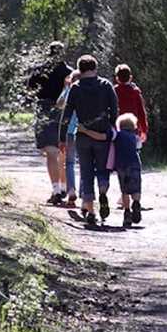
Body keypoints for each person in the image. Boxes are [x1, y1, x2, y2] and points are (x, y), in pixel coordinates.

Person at [61, 55, 118, 225]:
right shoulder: (106, 85)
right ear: (95, 67)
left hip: (83, 136)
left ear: (80, 69)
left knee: (86, 172)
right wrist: (113, 130)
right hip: (102, 135)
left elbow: (67, 114)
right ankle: (102, 190)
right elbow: (115, 110)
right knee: (103, 168)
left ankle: (91, 210)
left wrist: (62, 138)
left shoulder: (76, 88)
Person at [26, 42, 73, 205]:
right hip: (64, 112)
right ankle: (65, 187)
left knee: (51, 152)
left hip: (44, 109)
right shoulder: (69, 73)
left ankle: (56, 190)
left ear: (49, 53)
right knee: (63, 152)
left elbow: (30, 90)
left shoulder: (39, 70)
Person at [78, 113, 143, 227]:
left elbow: (103, 137)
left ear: (120, 125)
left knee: (124, 190)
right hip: (135, 165)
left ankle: (127, 212)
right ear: (133, 126)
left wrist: (85, 131)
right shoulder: (136, 137)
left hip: (121, 165)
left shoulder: (116, 135)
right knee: (136, 188)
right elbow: (138, 147)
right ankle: (136, 203)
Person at [113, 64, 149, 207]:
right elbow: (141, 112)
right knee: (133, 160)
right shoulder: (135, 92)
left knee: (121, 162)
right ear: (131, 77)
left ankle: (124, 195)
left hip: (118, 130)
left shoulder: (114, 91)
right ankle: (132, 193)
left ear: (117, 78)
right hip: (133, 130)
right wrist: (144, 129)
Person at [57, 70, 81, 207]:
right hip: (84, 131)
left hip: (69, 131)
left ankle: (71, 190)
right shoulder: (85, 92)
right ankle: (86, 193)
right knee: (85, 164)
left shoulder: (69, 91)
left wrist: (66, 87)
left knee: (70, 163)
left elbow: (59, 104)